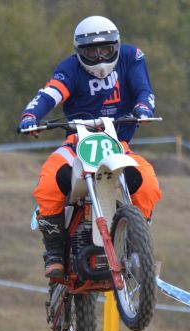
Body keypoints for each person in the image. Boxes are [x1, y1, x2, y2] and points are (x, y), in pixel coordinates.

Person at [19, 15, 162, 278]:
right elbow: (51, 93)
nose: (99, 57)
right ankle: (54, 250)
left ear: (116, 45)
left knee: (148, 183)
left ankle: (136, 245)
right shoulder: (70, 68)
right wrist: (31, 116)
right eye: (91, 52)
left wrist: (143, 108)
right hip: (76, 142)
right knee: (49, 181)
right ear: (78, 51)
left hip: (116, 144)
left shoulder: (131, 57)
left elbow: (144, 89)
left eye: (105, 50)